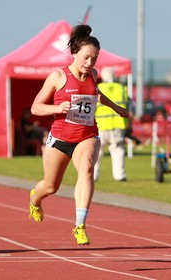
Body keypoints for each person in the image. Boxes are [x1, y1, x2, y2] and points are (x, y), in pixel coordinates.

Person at [28, 24, 128, 245]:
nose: (89, 63)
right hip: (60, 139)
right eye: (85, 58)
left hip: (87, 135)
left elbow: (96, 95)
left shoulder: (92, 74)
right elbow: (36, 107)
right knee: (51, 187)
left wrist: (116, 108)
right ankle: (35, 200)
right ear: (74, 53)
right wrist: (57, 109)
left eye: (94, 59)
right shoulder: (58, 76)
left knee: (87, 167)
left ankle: (80, 225)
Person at [93, 67, 129, 182]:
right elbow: (128, 106)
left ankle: (93, 175)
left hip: (101, 125)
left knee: (97, 151)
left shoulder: (98, 88)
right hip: (117, 124)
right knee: (118, 150)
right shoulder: (123, 88)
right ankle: (120, 175)